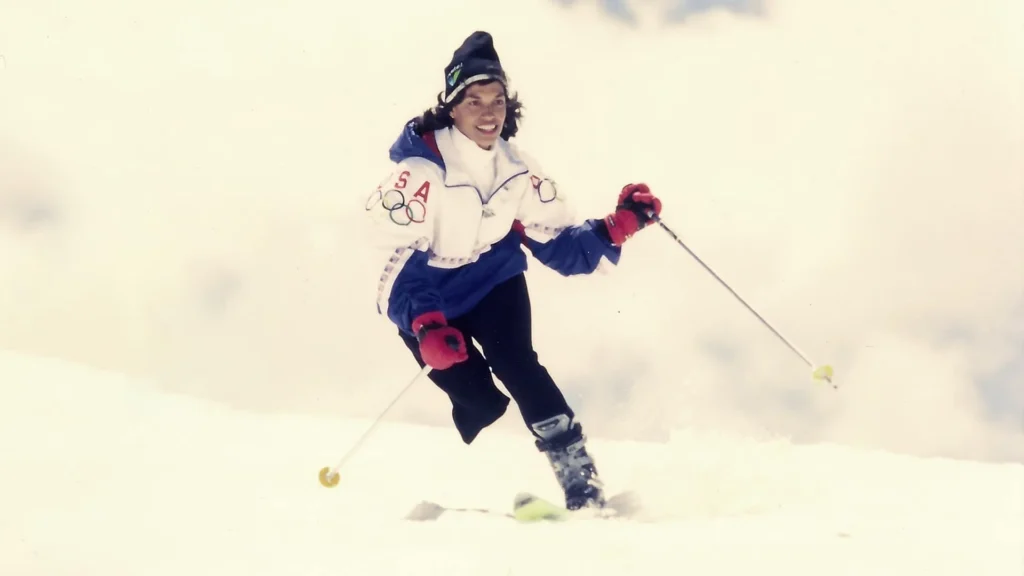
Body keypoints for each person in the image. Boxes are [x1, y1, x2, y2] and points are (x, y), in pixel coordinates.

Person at [363, 30, 663, 510]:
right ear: (452, 107)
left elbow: (559, 242)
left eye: (497, 100)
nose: (488, 113)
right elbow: (392, 255)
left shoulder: (517, 168)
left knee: (520, 365)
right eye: (474, 101)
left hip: (492, 278)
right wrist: (424, 324)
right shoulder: (420, 172)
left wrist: (619, 225)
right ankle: (473, 473)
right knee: (480, 403)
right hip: (430, 298)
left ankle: (581, 483)